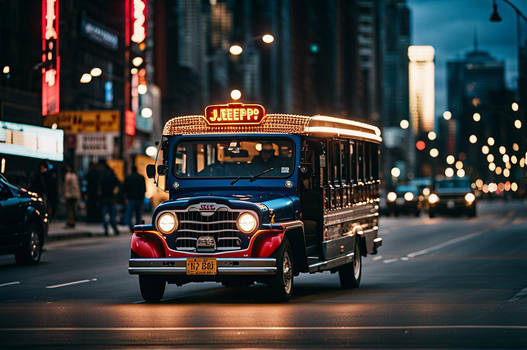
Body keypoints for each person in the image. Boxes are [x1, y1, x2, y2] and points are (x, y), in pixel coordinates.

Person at [99, 162, 120, 236]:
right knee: (112, 215)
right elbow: (118, 185)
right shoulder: (113, 176)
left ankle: (106, 230)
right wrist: (115, 192)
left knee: (104, 215)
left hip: (104, 198)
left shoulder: (102, 176)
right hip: (111, 198)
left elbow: (100, 188)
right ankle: (115, 229)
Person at [123, 165, 146, 232]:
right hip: (139, 199)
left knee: (129, 214)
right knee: (138, 215)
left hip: (131, 199)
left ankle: (131, 228)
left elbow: (125, 189)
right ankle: (137, 227)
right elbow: (144, 189)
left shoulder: (128, 178)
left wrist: (126, 198)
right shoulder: (141, 177)